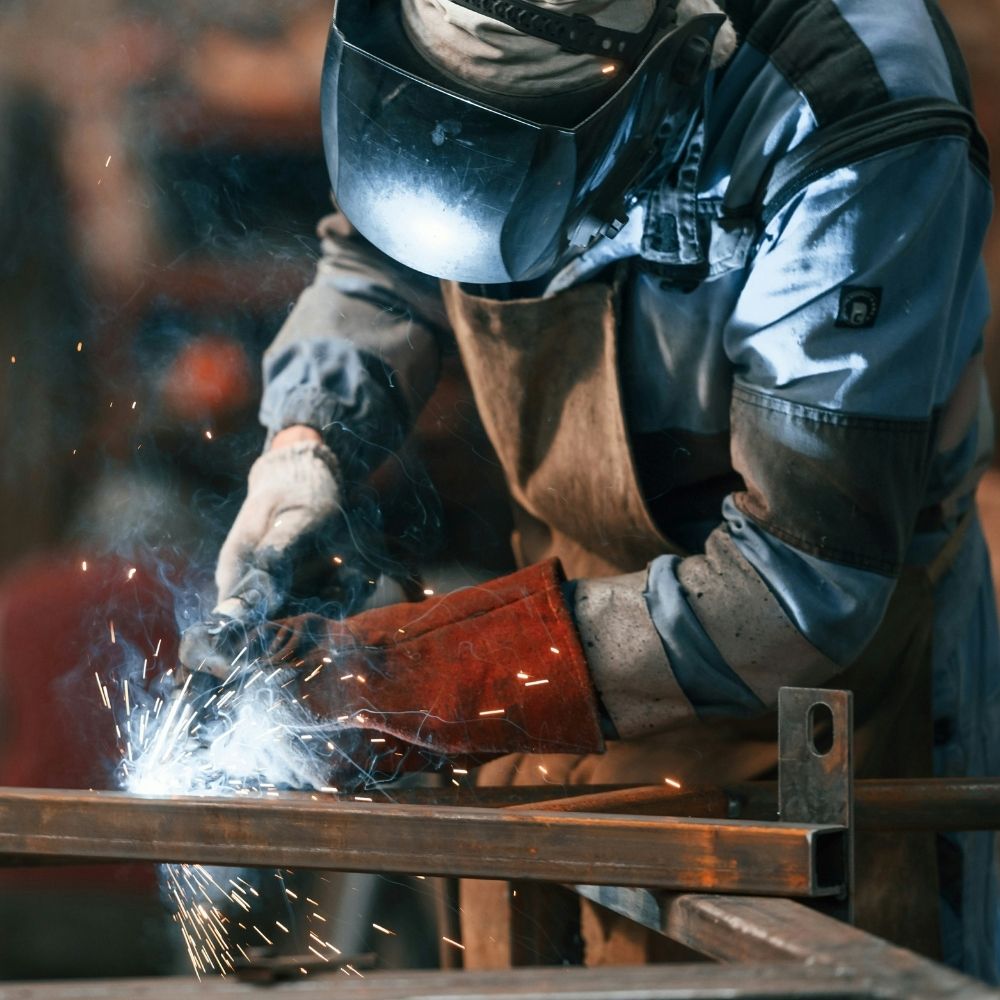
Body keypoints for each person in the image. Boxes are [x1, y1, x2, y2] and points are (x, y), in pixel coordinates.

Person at [182, 0, 998, 980]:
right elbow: (387, 247)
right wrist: (309, 445)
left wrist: (437, 678)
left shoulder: (850, 111)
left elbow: (801, 593)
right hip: (569, 634)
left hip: (830, 702)